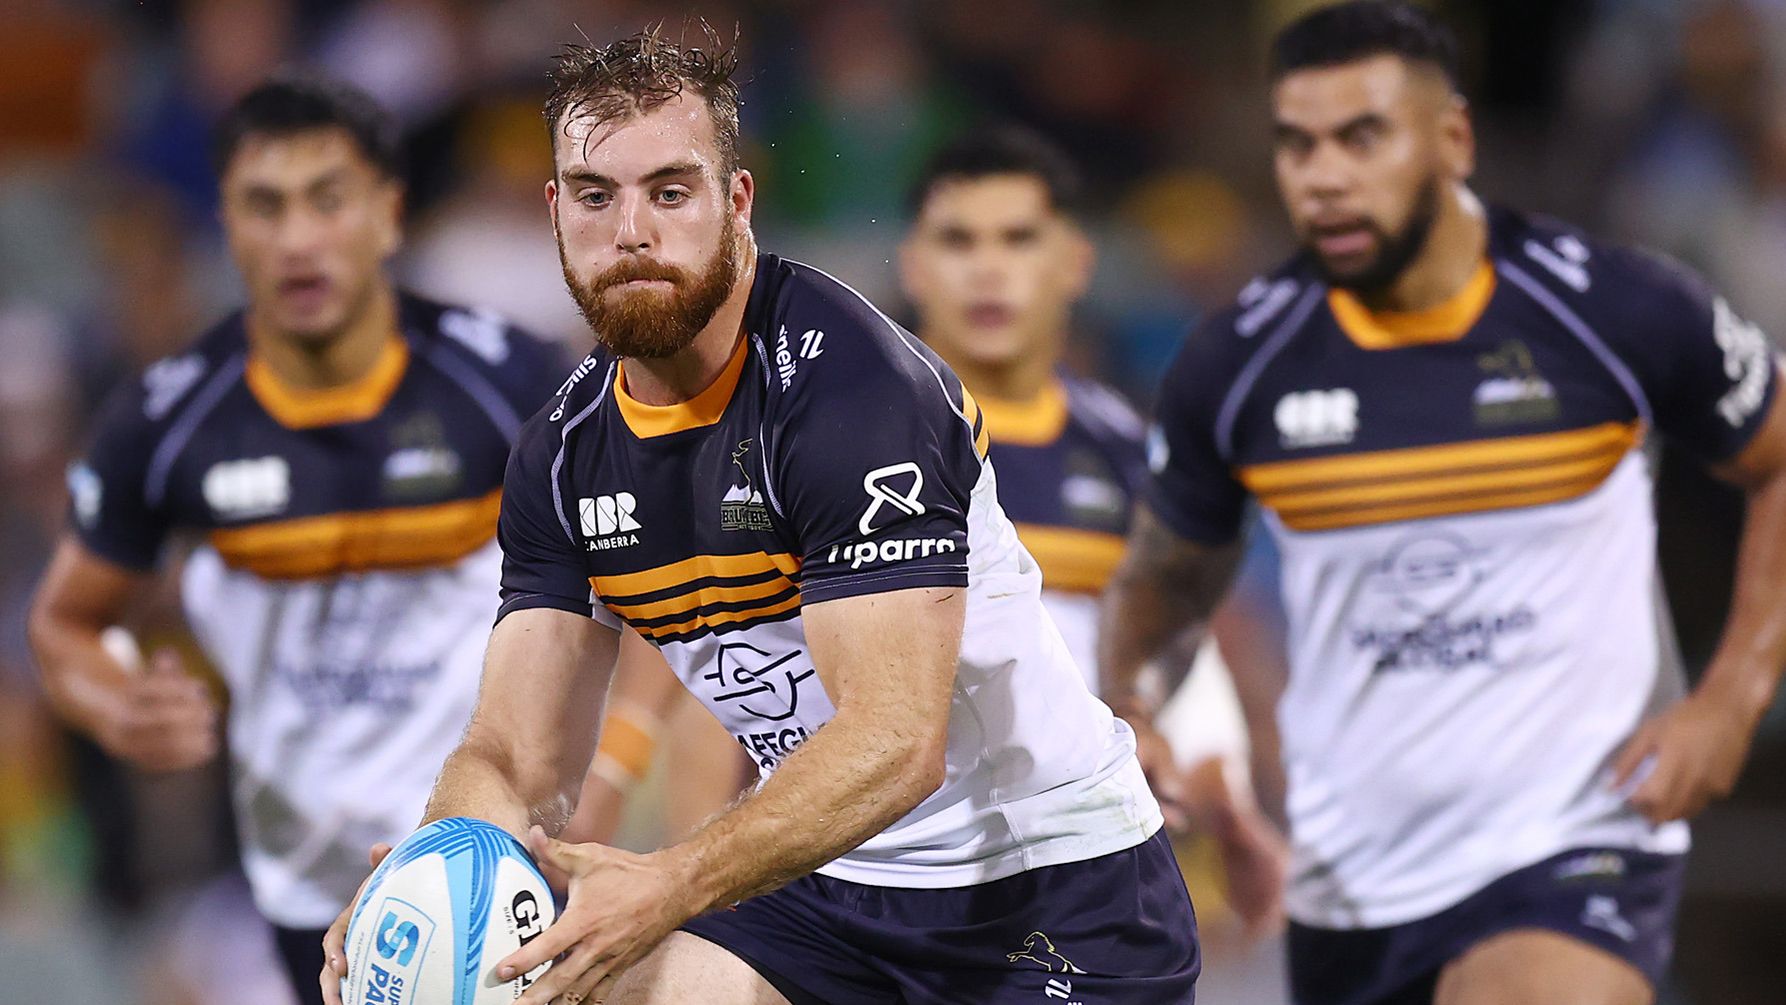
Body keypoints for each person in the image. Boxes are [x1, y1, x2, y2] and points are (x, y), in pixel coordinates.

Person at [321, 28, 1199, 1005]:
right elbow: (513, 753)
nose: (632, 233)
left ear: (735, 204)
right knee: (546, 980)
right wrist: (427, 879)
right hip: (830, 894)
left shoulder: (854, 391)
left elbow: (895, 745)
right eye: (594, 195)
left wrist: (668, 881)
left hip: (1047, 894)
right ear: (554, 210)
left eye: (669, 191)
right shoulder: (560, 454)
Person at [1099, 4, 1786, 1005]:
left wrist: (1731, 696)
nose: (1323, 175)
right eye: (1297, 145)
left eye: (1360, 137)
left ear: (1452, 139)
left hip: (1573, 844)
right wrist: (1135, 714)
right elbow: (1162, 581)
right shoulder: (1238, 364)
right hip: (1349, 885)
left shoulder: (1609, 309)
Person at [26, 75, 564, 1005]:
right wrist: (119, 705)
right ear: (227, 226)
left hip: (501, 854)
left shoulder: (508, 383)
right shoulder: (170, 421)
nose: (298, 238)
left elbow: (623, 581)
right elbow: (63, 624)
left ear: (390, 213)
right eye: (263, 206)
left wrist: (616, 759)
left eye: (328, 199)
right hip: (309, 894)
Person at [897, 125, 1287, 940]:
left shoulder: (1126, 457)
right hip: (875, 862)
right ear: (914, 264)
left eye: (1018, 238)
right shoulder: (839, 436)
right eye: (959, 239)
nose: (989, 268)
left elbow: (1178, 639)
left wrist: (1224, 787)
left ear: (1074, 261)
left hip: (1068, 873)